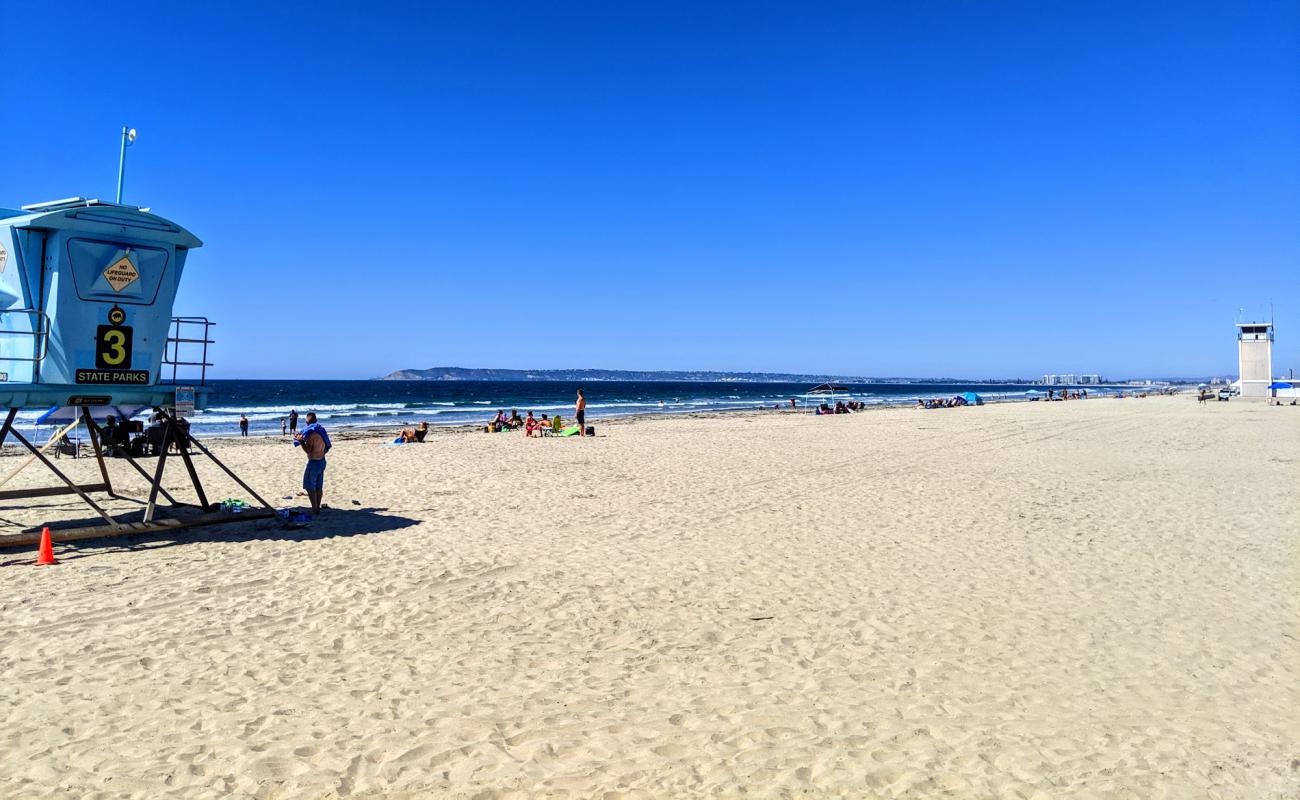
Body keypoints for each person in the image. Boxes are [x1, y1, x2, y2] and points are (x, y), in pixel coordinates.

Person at [293, 412, 330, 515]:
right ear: (316, 420)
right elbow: (327, 446)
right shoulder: (322, 431)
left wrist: (301, 442)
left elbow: (308, 450)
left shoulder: (311, 434)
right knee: (318, 486)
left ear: (307, 422)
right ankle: (317, 507)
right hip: (322, 461)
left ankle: (315, 509)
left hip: (314, 462)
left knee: (310, 486)